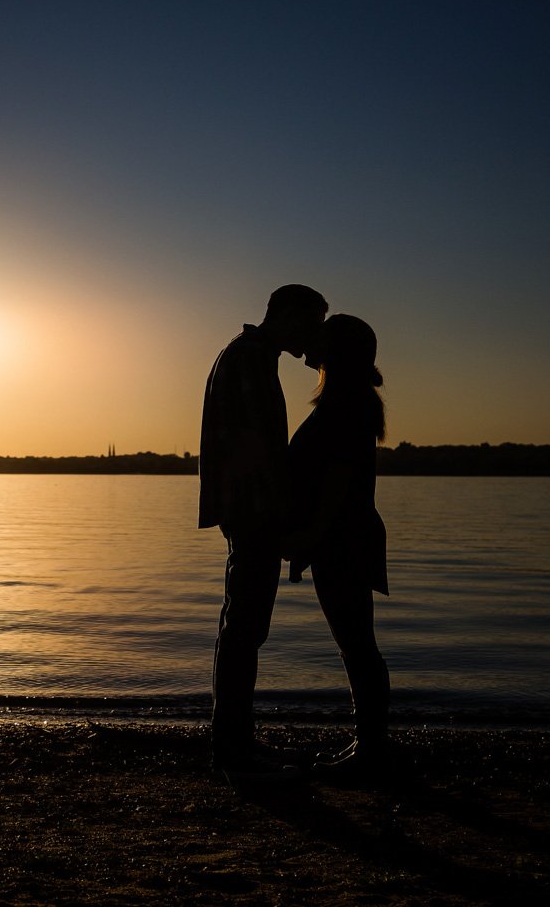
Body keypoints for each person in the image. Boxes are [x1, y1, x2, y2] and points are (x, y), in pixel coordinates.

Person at [199, 283, 328, 778]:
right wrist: (286, 516)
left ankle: (235, 741)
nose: (314, 335)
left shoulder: (245, 354)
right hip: (253, 510)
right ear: (288, 315)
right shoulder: (250, 358)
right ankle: (233, 746)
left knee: (243, 626)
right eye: (312, 322)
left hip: (246, 508)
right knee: (244, 628)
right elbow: (261, 448)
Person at [285, 314, 390, 782]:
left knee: (357, 646)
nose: (310, 342)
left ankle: (371, 749)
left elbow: (336, 484)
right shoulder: (347, 403)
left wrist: (307, 540)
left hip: (342, 539)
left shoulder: (343, 407)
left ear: (335, 351)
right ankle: (371, 744)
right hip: (347, 535)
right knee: (358, 645)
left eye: (319, 338)